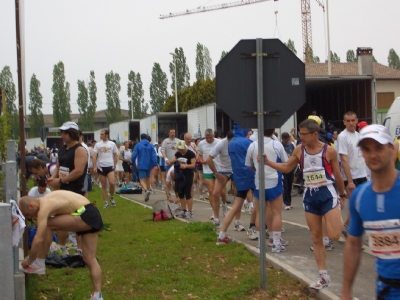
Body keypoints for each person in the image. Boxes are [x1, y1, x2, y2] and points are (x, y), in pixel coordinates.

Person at [261, 118, 345, 289]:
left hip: (328, 194)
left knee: (335, 235)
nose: (301, 137)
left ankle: (335, 219)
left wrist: (342, 195)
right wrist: (268, 163)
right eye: (300, 134)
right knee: (315, 237)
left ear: (315, 134)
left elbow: (338, 174)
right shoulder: (299, 150)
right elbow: (287, 168)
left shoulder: (329, 152)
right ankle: (323, 275)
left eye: (304, 134)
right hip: (310, 196)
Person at [340, 124, 400, 300]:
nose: (373, 155)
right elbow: (353, 245)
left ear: (392, 149)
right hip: (385, 290)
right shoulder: (360, 196)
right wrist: (346, 291)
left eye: (379, 148)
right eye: (366, 149)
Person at [18, 190, 104, 300]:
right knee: (89, 258)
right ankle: (98, 295)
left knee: (48, 225)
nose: (30, 218)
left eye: (27, 214)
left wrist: (30, 259)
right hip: (92, 214)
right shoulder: (51, 199)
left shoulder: (45, 205)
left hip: (84, 214)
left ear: (31, 205)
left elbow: (39, 238)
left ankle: (39, 263)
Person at [46, 122, 88, 254]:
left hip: (75, 190)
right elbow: (58, 166)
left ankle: (80, 249)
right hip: (62, 190)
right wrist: (53, 178)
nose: (62, 135)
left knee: (78, 220)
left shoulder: (80, 150)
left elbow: (78, 171)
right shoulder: (63, 149)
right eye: (61, 133)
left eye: (65, 133)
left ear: (72, 133)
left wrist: (61, 180)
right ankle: (62, 247)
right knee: (60, 219)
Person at [246, 128, 288, 253]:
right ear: (273, 131)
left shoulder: (252, 145)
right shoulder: (277, 144)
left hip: (259, 182)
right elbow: (285, 163)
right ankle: (276, 243)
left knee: (260, 213)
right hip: (274, 181)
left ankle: (260, 243)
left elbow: (250, 166)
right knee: (276, 213)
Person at [216, 124, 256, 244]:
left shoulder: (231, 143)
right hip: (252, 176)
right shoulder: (248, 142)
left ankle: (221, 235)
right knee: (259, 204)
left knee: (235, 207)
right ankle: (255, 229)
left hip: (239, 178)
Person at [337, 112, 368, 236]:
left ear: (356, 121)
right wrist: (349, 181)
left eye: (353, 120)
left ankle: (346, 226)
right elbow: (344, 159)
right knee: (356, 205)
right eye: (348, 121)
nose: (350, 123)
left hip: (362, 174)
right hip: (351, 176)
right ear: (344, 122)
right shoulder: (343, 137)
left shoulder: (359, 135)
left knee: (359, 204)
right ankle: (353, 232)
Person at [206, 131, 234, 226]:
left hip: (236, 169)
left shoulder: (240, 142)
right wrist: (216, 173)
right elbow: (208, 159)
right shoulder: (221, 143)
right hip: (223, 170)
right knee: (215, 193)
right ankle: (216, 218)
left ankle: (238, 221)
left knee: (238, 195)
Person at [197, 129, 222, 225]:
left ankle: (222, 205)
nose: (208, 139)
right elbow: (198, 153)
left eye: (210, 137)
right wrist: (201, 160)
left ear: (213, 135)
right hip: (207, 169)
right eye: (206, 137)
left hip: (219, 169)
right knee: (211, 191)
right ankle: (214, 212)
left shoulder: (219, 142)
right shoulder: (201, 144)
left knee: (219, 192)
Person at [169, 140, 196, 218]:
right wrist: (172, 160)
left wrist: (186, 166)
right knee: (180, 193)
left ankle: (190, 211)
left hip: (188, 175)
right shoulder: (177, 153)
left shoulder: (190, 154)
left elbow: (193, 165)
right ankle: (184, 210)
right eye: (179, 149)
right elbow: (171, 161)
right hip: (179, 174)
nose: (180, 151)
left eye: (181, 149)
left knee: (188, 193)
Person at [92, 129, 119, 209]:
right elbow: (94, 156)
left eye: (102, 134)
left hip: (110, 165)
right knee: (103, 185)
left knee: (111, 183)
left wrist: (114, 165)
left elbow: (115, 155)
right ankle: (105, 202)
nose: (100, 136)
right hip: (101, 166)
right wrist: (94, 166)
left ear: (107, 135)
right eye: (100, 134)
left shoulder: (112, 144)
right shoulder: (98, 145)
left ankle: (111, 197)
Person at [131, 133, 158, 202]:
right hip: (149, 165)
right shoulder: (151, 146)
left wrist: (132, 162)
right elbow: (154, 155)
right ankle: (148, 190)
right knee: (148, 178)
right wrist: (155, 164)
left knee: (142, 180)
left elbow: (134, 155)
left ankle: (146, 191)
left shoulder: (138, 145)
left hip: (141, 164)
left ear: (141, 138)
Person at [281, 132, 295, 210]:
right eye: (285, 140)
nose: (286, 141)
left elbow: (294, 155)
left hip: (291, 168)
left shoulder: (291, 145)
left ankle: (289, 202)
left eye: (287, 139)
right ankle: (286, 202)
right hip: (283, 168)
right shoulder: (280, 146)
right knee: (285, 186)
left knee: (290, 185)